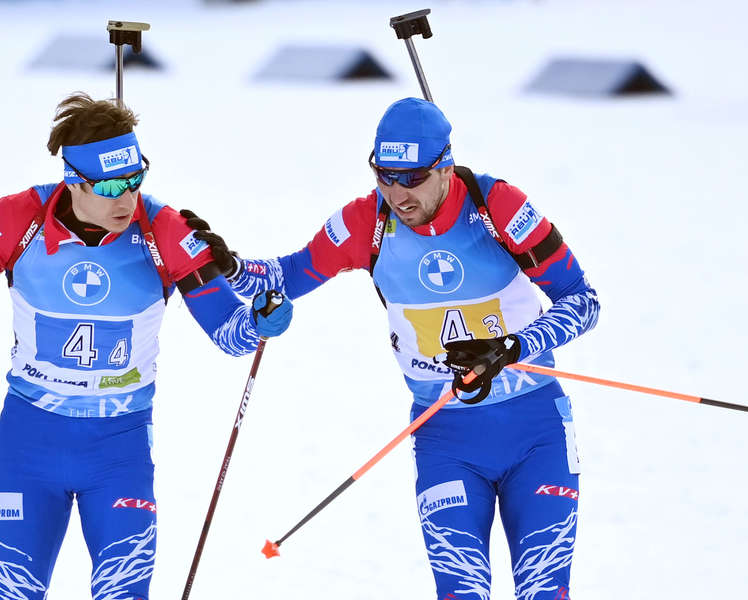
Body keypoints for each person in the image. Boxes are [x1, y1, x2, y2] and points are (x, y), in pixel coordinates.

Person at [184, 97, 599, 599]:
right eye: (385, 175)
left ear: (444, 165)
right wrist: (230, 267)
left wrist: (512, 347)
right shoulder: (366, 223)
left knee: (544, 592)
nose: (398, 193)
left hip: (536, 429)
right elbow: (288, 276)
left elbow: (581, 301)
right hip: (445, 436)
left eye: (413, 177)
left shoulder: (498, 208)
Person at [0, 92, 293, 600]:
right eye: (110, 186)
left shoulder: (164, 231)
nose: (126, 200)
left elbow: (229, 333)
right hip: (29, 444)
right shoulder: (14, 219)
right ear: (73, 180)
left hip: (119, 450)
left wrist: (261, 321)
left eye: (135, 181)